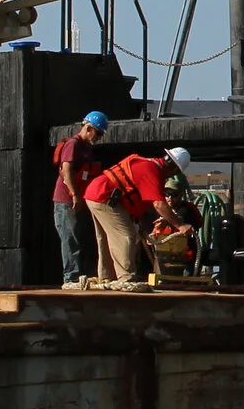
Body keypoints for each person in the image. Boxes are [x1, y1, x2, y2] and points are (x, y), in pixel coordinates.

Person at [84, 147, 191, 284]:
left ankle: (107, 277)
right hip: (104, 196)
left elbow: (140, 203)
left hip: (98, 194)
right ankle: (126, 278)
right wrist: (180, 225)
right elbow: (159, 204)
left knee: (106, 238)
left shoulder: (149, 166)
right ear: (175, 169)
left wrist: (145, 229)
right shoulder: (152, 171)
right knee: (126, 237)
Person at [51, 112, 109, 286]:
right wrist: (75, 195)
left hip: (77, 200)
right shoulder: (73, 144)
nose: (98, 138)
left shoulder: (85, 148)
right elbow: (66, 171)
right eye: (98, 133)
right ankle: (71, 278)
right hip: (66, 201)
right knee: (70, 240)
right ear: (88, 128)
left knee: (78, 238)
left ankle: (77, 275)